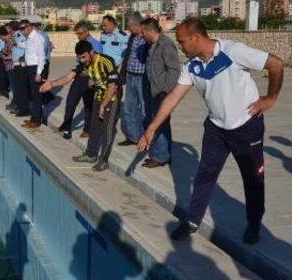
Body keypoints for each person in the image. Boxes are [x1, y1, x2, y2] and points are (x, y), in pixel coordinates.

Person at [138, 18, 284, 244]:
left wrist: (270, 98)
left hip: (246, 127)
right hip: (216, 128)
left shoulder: (233, 51)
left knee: (253, 179)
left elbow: (275, 63)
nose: (179, 46)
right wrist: (152, 128)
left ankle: (254, 224)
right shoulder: (192, 66)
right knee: (205, 175)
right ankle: (192, 221)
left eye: (181, 41)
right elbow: (174, 96)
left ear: (196, 38)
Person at [71, 41, 121, 171]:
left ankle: (103, 161)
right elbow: (70, 75)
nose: (82, 60)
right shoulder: (86, 63)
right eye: (79, 57)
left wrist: (103, 105)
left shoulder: (106, 61)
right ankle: (90, 155)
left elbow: (112, 86)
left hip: (112, 98)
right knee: (94, 127)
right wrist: (52, 84)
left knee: (107, 130)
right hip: (98, 97)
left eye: (83, 57)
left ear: (91, 52)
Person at [139, 18, 180, 168]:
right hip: (153, 91)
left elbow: (174, 70)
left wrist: (166, 91)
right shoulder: (152, 45)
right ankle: (161, 154)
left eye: (143, 32)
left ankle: (161, 157)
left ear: (150, 31)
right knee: (157, 122)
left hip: (162, 93)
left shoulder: (166, 45)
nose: (141, 35)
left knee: (161, 124)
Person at [55, 21, 100, 139]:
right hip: (79, 77)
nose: (78, 36)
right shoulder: (80, 44)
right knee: (70, 102)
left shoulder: (95, 45)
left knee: (89, 105)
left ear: (86, 32)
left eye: (80, 34)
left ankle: (87, 129)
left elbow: (97, 64)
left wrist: (93, 79)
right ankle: (67, 128)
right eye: (77, 34)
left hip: (89, 79)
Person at [118, 13, 148, 146]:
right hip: (130, 76)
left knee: (144, 109)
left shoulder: (147, 38)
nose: (128, 29)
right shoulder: (132, 37)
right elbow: (128, 56)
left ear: (137, 25)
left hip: (142, 78)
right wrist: (123, 74)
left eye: (129, 26)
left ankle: (146, 137)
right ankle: (132, 137)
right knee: (129, 108)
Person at [19, 19, 46, 129]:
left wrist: (38, 73)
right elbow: (27, 48)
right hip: (30, 67)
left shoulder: (37, 38)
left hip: (35, 68)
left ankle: (36, 120)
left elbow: (41, 56)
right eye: (21, 29)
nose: (23, 30)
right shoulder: (29, 38)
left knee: (36, 95)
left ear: (29, 26)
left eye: (24, 28)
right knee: (32, 94)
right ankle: (33, 117)